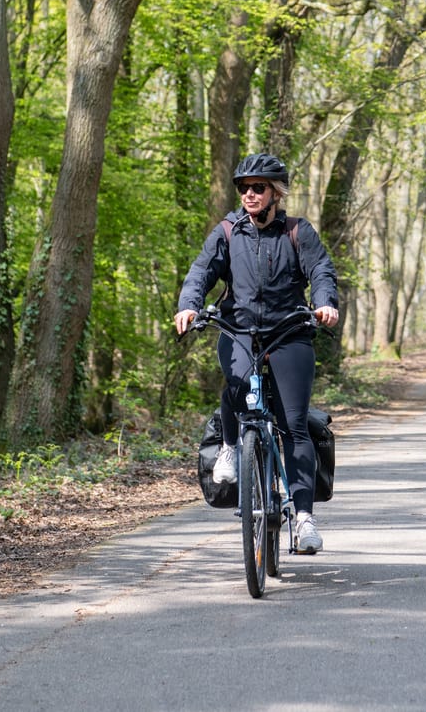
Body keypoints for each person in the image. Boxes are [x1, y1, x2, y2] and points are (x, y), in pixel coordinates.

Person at [174, 153, 340, 554]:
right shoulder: (229, 232)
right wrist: (188, 304)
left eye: (258, 187)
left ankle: (303, 519)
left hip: (289, 330)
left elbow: (321, 271)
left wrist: (325, 303)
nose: (250, 194)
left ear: (275, 193)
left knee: (294, 426)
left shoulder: (298, 232)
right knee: (234, 383)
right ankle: (231, 447)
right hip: (239, 327)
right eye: (244, 188)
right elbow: (201, 271)